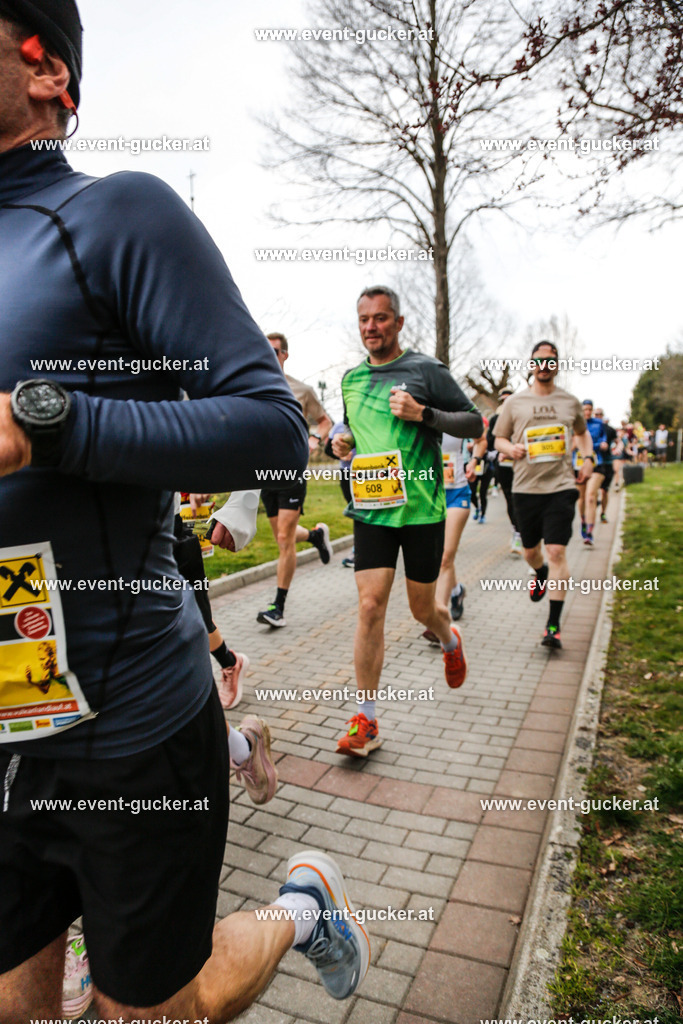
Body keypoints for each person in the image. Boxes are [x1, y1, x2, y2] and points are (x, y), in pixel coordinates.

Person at [0, 5, 368, 1020]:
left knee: (160, 1008)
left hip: (127, 726)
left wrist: (46, 426)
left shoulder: (115, 216)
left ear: (47, 72)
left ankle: (301, 905)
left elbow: (266, 427)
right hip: (0, 717)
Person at [332, 286, 483, 756]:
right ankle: (367, 721)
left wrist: (425, 414)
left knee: (423, 610)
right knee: (370, 606)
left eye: (380, 319)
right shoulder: (352, 380)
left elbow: (475, 423)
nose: (371, 327)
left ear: (398, 323)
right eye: (364, 320)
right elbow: (353, 432)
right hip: (373, 508)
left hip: (420, 511)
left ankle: (447, 636)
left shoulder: (425, 369)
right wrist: (341, 443)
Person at [494, 340, 594, 649]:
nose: (545, 366)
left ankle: (553, 625)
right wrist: (511, 448)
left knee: (556, 552)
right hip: (525, 488)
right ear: (532, 364)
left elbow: (582, 433)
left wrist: (588, 458)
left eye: (551, 361)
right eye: (539, 361)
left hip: (561, 487)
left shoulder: (570, 402)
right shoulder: (516, 403)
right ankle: (539, 573)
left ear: (557, 365)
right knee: (532, 552)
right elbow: (498, 438)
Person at [256, 332, 333, 627]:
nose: (269, 355)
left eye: (274, 350)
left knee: (285, 540)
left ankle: (278, 607)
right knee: (281, 536)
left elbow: (325, 421)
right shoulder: (254, 386)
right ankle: (315, 536)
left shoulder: (301, 390)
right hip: (264, 473)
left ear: (284, 355)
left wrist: (314, 439)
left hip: (291, 471)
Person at [489, 387, 523, 555]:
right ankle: (517, 531)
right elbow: (490, 440)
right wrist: (497, 453)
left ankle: (525, 534)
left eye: (509, 399)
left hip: (522, 464)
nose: (506, 402)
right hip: (503, 465)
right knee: (510, 499)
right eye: (503, 400)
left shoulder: (521, 416)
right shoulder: (495, 418)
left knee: (522, 499)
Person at [575, 399, 607, 546]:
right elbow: (572, 443)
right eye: (585, 409)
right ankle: (583, 520)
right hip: (579, 464)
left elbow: (603, 442)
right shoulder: (574, 423)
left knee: (590, 497)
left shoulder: (599, 424)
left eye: (590, 409)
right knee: (581, 498)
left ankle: (589, 532)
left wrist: (601, 445)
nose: (587, 412)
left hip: (597, 463)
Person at [326, 421, 356, 567]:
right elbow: (328, 449)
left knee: (363, 512)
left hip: (368, 472)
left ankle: (359, 550)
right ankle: (359, 550)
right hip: (347, 474)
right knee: (356, 512)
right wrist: (340, 455)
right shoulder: (339, 426)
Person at [468, 416, 494, 524]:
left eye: (483, 424)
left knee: (483, 493)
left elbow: (495, 452)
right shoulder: (470, 436)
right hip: (473, 468)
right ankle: (477, 507)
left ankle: (483, 514)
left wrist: (485, 451)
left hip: (487, 468)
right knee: (472, 492)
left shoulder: (490, 436)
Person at [593, 409, 616, 522]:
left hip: (607, 462)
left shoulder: (610, 430)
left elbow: (619, 441)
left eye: (600, 414)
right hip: (595, 463)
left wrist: (618, 448)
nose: (598, 416)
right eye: (596, 414)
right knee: (593, 490)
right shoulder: (588, 428)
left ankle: (603, 513)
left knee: (604, 491)